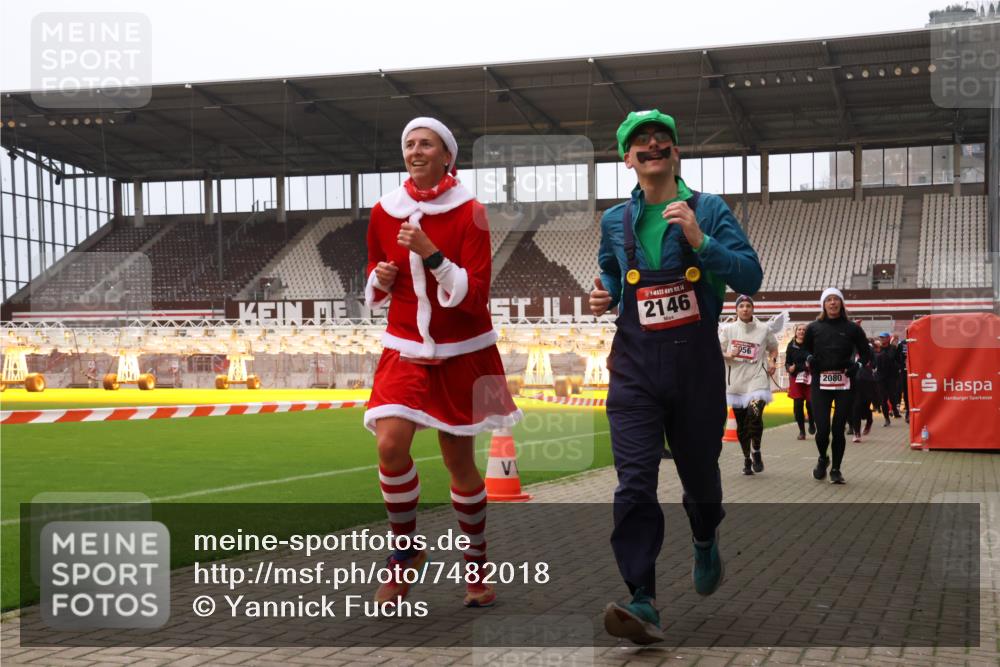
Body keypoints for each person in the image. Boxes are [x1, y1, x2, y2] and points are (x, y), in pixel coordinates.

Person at [589, 109, 762, 644]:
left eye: (662, 137)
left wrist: (702, 241)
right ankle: (643, 599)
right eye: (640, 140)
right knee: (635, 481)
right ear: (627, 158)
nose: (653, 143)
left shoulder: (708, 208)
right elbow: (612, 275)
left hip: (695, 368)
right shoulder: (615, 220)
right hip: (635, 366)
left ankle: (705, 535)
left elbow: (751, 273)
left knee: (700, 478)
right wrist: (604, 294)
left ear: (676, 151)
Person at [363, 117, 522, 608]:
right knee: (390, 443)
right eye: (409, 142)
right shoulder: (384, 212)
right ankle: (405, 552)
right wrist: (382, 278)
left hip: (462, 352)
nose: (415, 150)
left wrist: (432, 255)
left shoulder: (471, 213)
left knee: (458, 462)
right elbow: (371, 271)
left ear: (446, 156)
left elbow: (474, 296)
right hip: (405, 346)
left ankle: (476, 563)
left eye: (426, 143)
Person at [803, 288, 871, 485]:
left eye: (836, 300)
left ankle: (836, 469)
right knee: (822, 429)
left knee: (838, 428)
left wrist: (857, 366)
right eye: (829, 300)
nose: (832, 303)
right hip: (820, 383)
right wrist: (808, 358)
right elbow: (803, 350)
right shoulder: (813, 328)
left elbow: (866, 354)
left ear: (842, 304)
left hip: (845, 382)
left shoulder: (852, 328)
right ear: (823, 305)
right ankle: (823, 458)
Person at [719, 295, 778, 474]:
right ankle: (746, 459)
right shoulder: (728, 330)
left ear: (753, 309)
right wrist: (729, 354)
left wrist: (773, 361)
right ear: (736, 310)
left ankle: (756, 451)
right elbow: (717, 350)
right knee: (742, 424)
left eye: (748, 306)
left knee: (755, 413)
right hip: (736, 382)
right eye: (741, 306)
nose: (745, 309)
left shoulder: (763, 329)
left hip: (757, 378)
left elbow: (773, 348)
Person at [784, 323, 815, 440]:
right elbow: (787, 362)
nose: (801, 331)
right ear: (795, 332)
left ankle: (812, 422)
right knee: (798, 405)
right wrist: (789, 368)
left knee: (810, 404)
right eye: (799, 329)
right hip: (795, 378)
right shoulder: (791, 345)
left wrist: (798, 366)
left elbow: (812, 362)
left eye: (804, 330)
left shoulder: (811, 344)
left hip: (809, 377)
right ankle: (802, 431)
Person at [849, 337, 877, 442]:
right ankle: (857, 433)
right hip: (852, 380)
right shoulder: (848, 347)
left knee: (865, 406)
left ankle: (869, 420)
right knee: (855, 406)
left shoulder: (867, 348)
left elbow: (874, 362)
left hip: (866, 381)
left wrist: (869, 366)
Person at [874, 332, 898, 427]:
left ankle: (895, 410)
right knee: (883, 399)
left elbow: (891, 358)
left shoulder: (892, 348)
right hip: (880, 377)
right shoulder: (877, 349)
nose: (882, 339)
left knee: (892, 396)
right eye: (881, 338)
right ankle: (886, 419)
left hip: (891, 377)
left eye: (883, 337)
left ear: (888, 338)